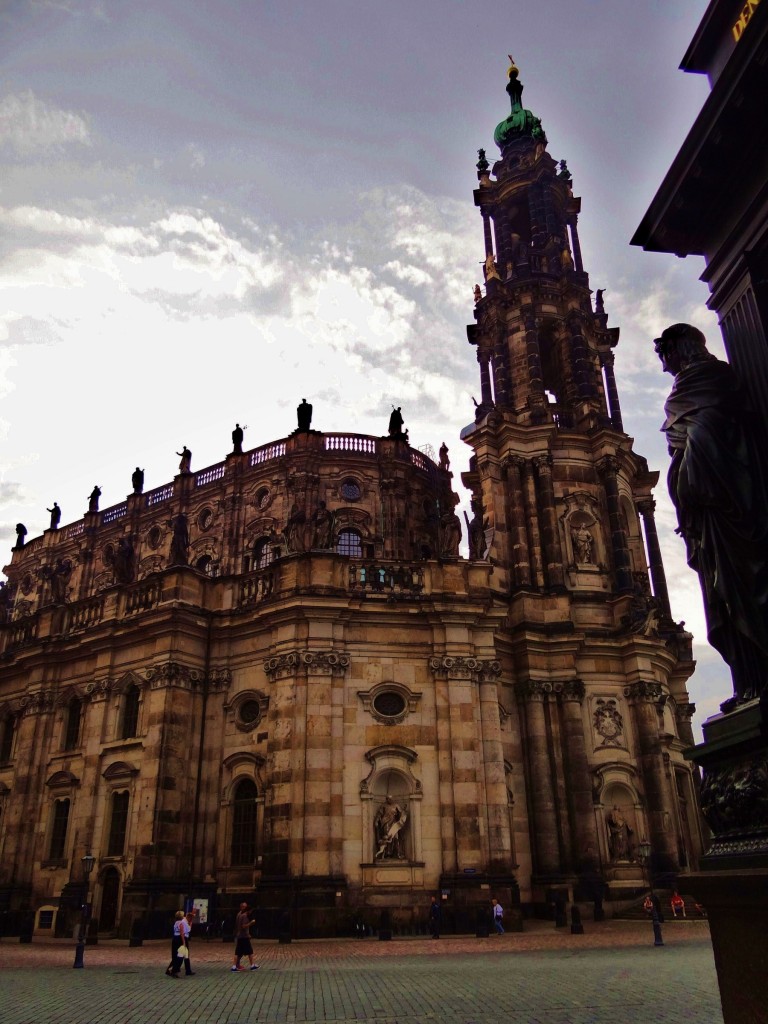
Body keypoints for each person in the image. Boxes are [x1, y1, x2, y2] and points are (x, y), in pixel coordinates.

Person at [655, 322, 768, 702]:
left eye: (666, 354)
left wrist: (691, 487)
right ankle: (751, 681)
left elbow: (705, 437)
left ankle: (758, 678)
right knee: (726, 598)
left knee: (742, 591)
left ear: (680, 348)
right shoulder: (694, 385)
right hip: (709, 516)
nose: (664, 364)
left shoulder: (709, 379)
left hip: (725, 505)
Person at [231, 901, 259, 972]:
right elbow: (243, 926)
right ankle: (252, 965)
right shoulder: (244, 916)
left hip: (240, 935)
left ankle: (235, 966)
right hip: (243, 936)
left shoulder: (239, 914)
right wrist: (251, 923)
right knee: (249, 951)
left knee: (239, 952)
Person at [165, 910, 189, 978]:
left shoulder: (176, 922)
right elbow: (182, 933)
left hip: (175, 938)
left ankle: (170, 969)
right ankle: (174, 970)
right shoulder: (181, 923)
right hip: (179, 939)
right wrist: (184, 942)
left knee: (175, 955)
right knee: (180, 956)